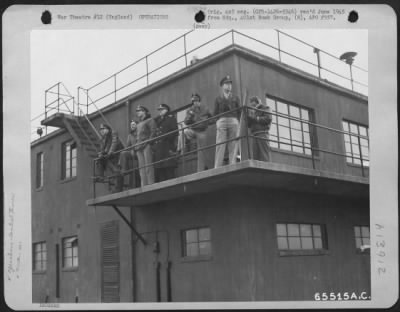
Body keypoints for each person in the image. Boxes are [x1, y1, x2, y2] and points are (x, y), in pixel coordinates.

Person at [213, 75, 241, 168]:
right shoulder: (218, 98)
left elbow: (239, 111)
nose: (229, 86)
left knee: (233, 144)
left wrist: (238, 122)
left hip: (233, 121)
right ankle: (217, 166)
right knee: (220, 144)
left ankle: (232, 165)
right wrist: (218, 122)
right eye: (226, 84)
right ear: (222, 86)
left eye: (230, 84)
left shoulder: (235, 98)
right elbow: (215, 113)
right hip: (222, 121)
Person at [183, 93, 212, 172]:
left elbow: (212, 118)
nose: (195, 103)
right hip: (193, 130)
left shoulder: (205, 108)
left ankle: (201, 170)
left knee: (201, 151)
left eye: (196, 101)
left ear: (199, 101)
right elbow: (186, 122)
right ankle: (190, 145)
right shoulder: (189, 110)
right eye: (193, 101)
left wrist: (207, 123)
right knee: (185, 131)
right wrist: (190, 115)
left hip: (202, 131)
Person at [153, 103, 179, 182]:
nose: (159, 111)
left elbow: (175, 131)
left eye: (161, 110)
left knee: (169, 172)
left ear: (166, 110)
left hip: (167, 147)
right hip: (160, 150)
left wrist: (165, 138)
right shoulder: (158, 120)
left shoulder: (170, 118)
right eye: (159, 110)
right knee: (161, 173)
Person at [136, 105, 156, 186]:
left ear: (144, 112)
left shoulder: (150, 120)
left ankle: (150, 184)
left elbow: (153, 131)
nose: (138, 112)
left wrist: (149, 141)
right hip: (139, 147)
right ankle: (144, 185)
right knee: (141, 168)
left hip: (146, 145)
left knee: (148, 166)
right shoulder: (138, 124)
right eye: (137, 111)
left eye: (139, 110)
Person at [247, 96, 272, 161]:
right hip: (254, 135)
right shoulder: (252, 111)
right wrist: (248, 119)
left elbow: (268, 119)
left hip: (262, 133)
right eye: (251, 104)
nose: (252, 106)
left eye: (253, 104)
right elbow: (249, 125)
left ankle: (266, 169)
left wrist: (256, 118)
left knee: (264, 155)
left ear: (257, 102)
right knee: (255, 156)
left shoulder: (265, 108)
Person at [119, 120, 141, 188]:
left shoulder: (140, 132)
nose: (132, 126)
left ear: (137, 125)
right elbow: (127, 146)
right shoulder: (130, 135)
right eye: (131, 125)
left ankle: (123, 168)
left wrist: (134, 149)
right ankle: (124, 169)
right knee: (123, 153)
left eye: (134, 124)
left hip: (139, 151)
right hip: (132, 153)